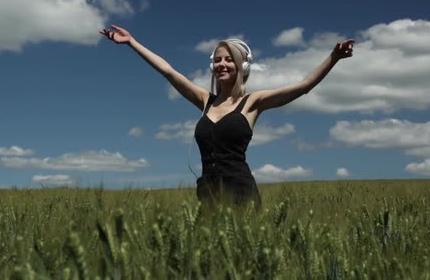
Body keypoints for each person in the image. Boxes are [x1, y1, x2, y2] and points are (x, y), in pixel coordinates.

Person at [100, 25, 354, 209]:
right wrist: (132, 43)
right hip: (208, 198)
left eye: (229, 60)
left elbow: (304, 86)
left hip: (241, 196)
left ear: (242, 67)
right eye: (218, 60)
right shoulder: (204, 100)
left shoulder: (252, 103)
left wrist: (334, 58)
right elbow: (168, 71)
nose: (222, 64)